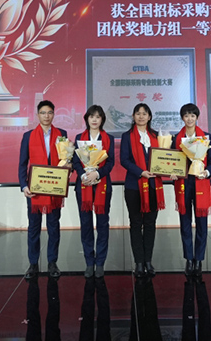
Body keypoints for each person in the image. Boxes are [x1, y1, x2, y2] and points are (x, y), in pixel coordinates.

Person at [18, 100, 68, 279]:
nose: (47, 116)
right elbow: (23, 163)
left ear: (54, 114)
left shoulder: (62, 135)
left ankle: (52, 262)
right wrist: (24, 185)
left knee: (54, 227)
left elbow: (65, 159)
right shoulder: (28, 136)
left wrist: (67, 168)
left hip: (54, 188)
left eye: (50, 112)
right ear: (37, 115)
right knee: (34, 227)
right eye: (43, 113)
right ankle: (33, 264)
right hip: (35, 190)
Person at [170, 103, 211, 277]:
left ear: (197, 117)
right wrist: (172, 172)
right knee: (185, 223)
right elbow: (172, 161)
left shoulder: (206, 137)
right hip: (183, 183)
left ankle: (199, 259)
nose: (189, 119)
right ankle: (189, 258)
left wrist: (207, 172)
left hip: (200, 181)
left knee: (202, 223)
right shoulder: (176, 138)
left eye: (192, 116)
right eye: (186, 115)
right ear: (182, 118)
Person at [120, 103, 164, 277]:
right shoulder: (126, 136)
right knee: (136, 223)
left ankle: (148, 261)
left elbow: (163, 158)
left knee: (150, 224)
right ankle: (139, 262)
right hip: (133, 186)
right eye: (138, 113)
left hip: (153, 186)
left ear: (149, 117)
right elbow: (124, 160)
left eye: (144, 113)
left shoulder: (156, 136)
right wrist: (141, 172)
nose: (141, 116)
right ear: (133, 116)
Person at [72, 104, 116, 278]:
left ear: (102, 119)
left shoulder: (108, 139)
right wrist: (84, 175)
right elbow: (76, 162)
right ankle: (89, 262)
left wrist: (97, 173)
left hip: (102, 184)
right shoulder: (79, 138)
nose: (95, 120)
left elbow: (110, 163)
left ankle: (100, 263)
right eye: (92, 116)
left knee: (103, 224)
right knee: (86, 224)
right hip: (83, 185)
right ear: (87, 119)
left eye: (98, 117)